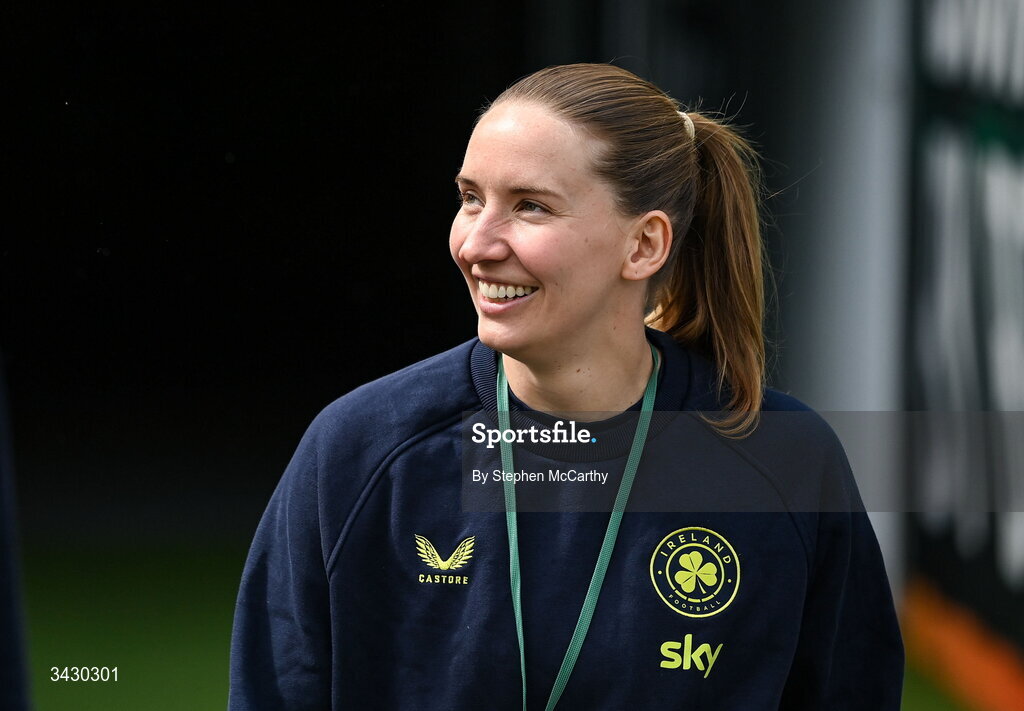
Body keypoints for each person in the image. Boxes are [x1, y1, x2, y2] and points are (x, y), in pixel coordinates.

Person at [229, 63, 904, 710]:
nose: (476, 243)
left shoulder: (784, 461)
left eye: (530, 207)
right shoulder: (361, 451)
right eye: (470, 198)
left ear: (644, 246)